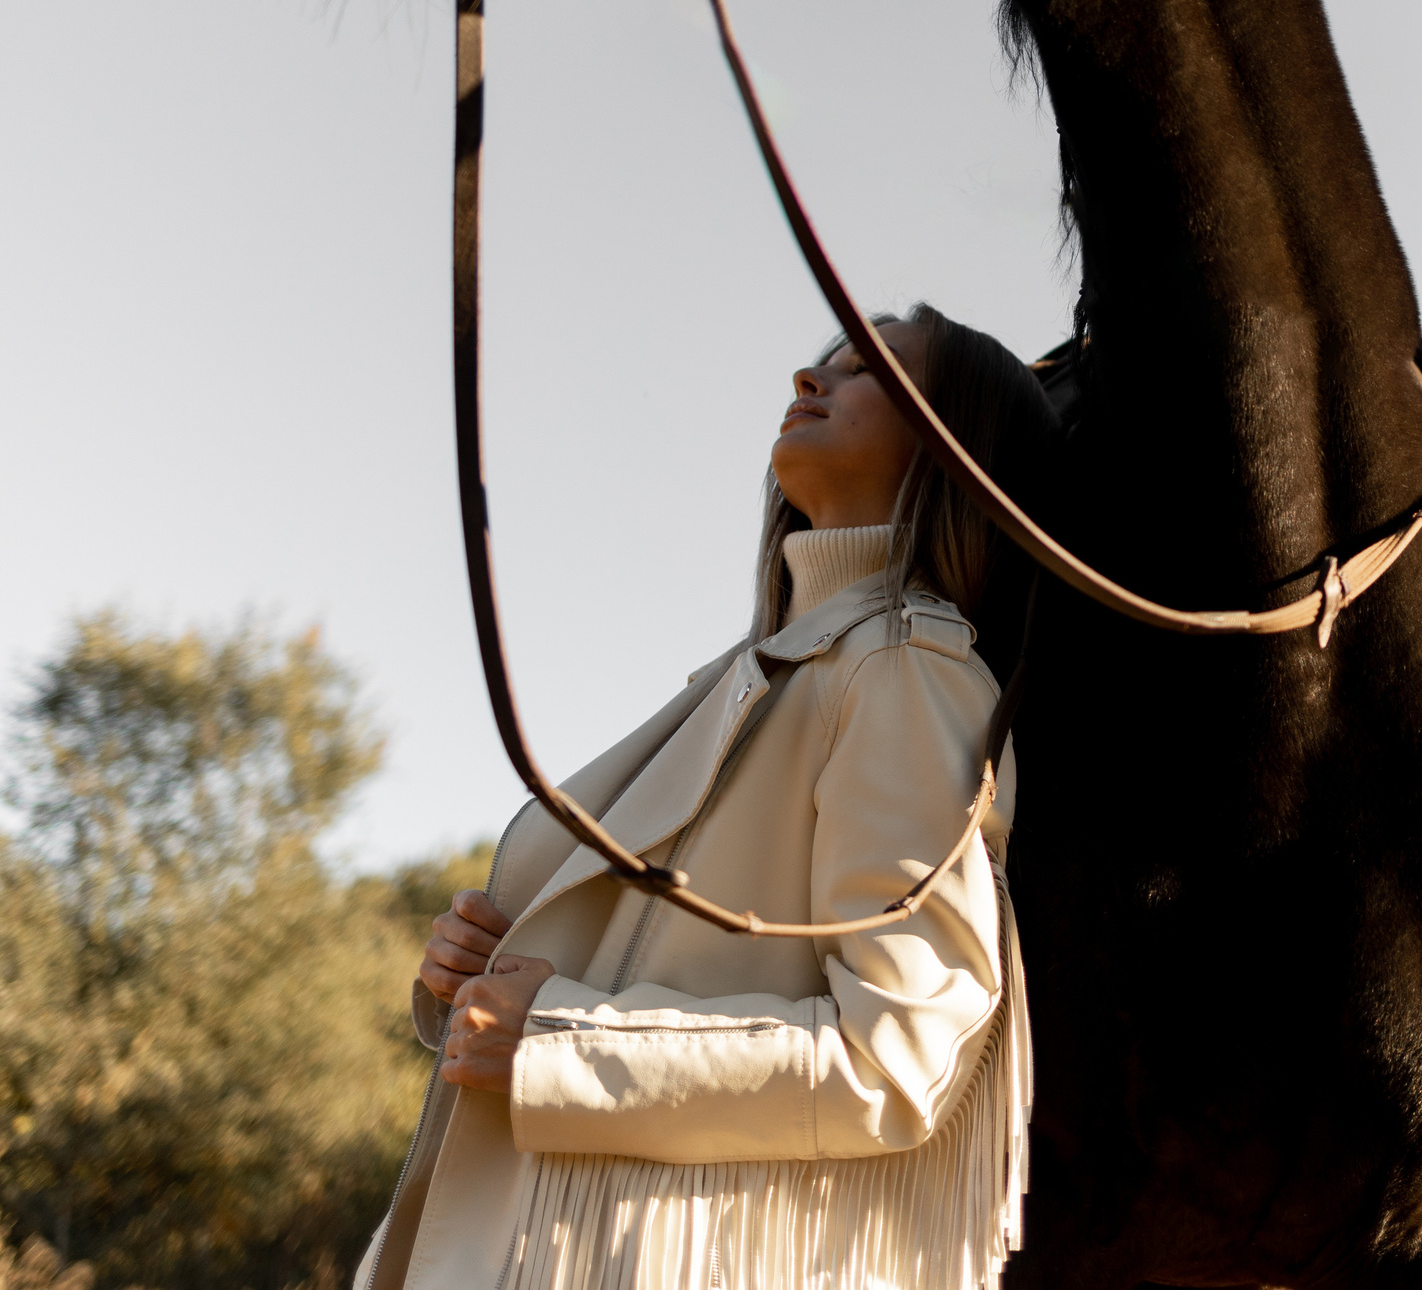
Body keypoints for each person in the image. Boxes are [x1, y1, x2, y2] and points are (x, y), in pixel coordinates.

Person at [355, 305, 1060, 1290]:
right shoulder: (758, 676)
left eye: (866, 371)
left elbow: (899, 1060)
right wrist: (472, 981)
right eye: (827, 361)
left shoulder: (903, 675)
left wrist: (558, 1039)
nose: (809, 380)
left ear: (958, 449)